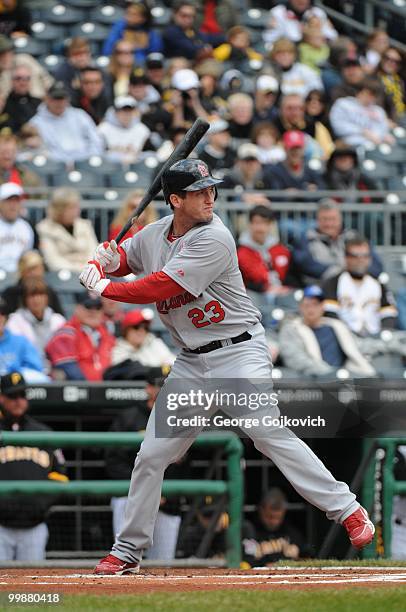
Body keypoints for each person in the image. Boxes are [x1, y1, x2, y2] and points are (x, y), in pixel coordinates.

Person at [79, 157, 375, 574]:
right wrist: (105, 260)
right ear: (175, 200)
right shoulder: (151, 235)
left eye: (211, 189)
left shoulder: (214, 237)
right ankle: (128, 550)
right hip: (190, 363)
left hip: (238, 351)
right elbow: (128, 258)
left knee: (264, 431)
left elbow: (160, 285)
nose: (210, 197)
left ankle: (346, 509)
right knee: (151, 455)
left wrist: (106, 284)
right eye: (199, 192)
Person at [105, 366, 185, 560]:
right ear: (148, 388)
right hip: (130, 497)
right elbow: (113, 462)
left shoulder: (184, 418)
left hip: (167, 501)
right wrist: (146, 491)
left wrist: (162, 493)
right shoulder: (129, 417)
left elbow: (185, 465)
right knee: (126, 558)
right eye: (161, 385)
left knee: (163, 563)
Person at [0, 371, 67, 561]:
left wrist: (40, 505)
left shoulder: (43, 433)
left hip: (34, 525)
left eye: (22, 395)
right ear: (1, 397)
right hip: (1, 526)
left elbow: (60, 475)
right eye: (12, 396)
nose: (18, 401)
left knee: (31, 582)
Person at [279, 285, 376, 378]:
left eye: (315, 304)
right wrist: (332, 375)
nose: (311, 309)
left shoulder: (337, 326)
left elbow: (360, 345)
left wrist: (388, 343)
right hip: (313, 382)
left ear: (322, 307)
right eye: (307, 305)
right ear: (301, 307)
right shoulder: (291, 329)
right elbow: (296, 360)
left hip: (344, 378)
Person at [291, 200, 383, 286]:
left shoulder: (353, 237)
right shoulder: (306, 239)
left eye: (333, 219)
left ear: (340, 219)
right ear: (317, 220)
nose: (329, 224)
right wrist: (340, 274)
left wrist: (356, 274)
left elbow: (376, 265)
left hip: (356, 287)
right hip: (319, 288)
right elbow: (306, 264)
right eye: (325, 219)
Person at [322, 235, 398, 336]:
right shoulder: (333, 282)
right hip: (345, 338)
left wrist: (384, 331)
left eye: (365, 256)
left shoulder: (378, 284)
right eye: (355, 256)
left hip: (375, 338)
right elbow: (330, 313)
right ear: (346, 258)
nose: (360, 260)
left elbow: (389, 312)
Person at [45, 293, 115, 381]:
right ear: (77, 308)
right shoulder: (66, 334)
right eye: (88, 306)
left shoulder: (106, 334)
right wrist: (94, 390)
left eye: (98, 307)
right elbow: (70, 370)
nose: (93, 311)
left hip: (108, 390)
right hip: (79, 390)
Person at [29, 81, 104, 163]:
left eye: (62, 98)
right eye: (55, 99)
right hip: (55, 164)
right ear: (46, 99)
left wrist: (89, 157)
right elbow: (40, 152)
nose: (59, 103)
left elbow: (96, 140)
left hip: (86, 161)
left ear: (68, 99)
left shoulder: (79, 115)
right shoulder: (35, 123)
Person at [6, 277, 65, 369]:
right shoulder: (15, 321)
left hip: (56, 368)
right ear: (24, 299)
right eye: (32, 296)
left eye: (40, 294)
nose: (36, 299)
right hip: (27, 369)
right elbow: (17, 352)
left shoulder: (58, 320)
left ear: (47, 298)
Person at [36, 187, 98, 273]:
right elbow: (53, 261)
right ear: (59, 210)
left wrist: (89, 268)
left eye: (77, 207)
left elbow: (94, 252)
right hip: (63, 276)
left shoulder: (85, 225)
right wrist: (80, 270)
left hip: (90, 273)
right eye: (71, 208)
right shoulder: (45, 228)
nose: (77, 211)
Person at [242, 488, 308, 566]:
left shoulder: (293, 534)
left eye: (278, 518)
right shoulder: (249, 531)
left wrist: (297, 556)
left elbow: (309, 558)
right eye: (269, 516)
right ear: (261, 510)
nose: (273, 522)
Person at [237, 205, 291, 294]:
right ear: (250, 224)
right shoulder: (240, 251)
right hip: (252, 295)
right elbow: (243, 281)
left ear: (270, 225)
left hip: (280, 293)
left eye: (264, 223)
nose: (260, 228)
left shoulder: (281, 249)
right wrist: (265, 288)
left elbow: (289, 276)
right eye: (257, 222)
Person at [329, 78, 394, 149]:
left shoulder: (378, 111)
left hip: (376, 146)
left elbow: (383, 130)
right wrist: (363, 132)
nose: (370, 97)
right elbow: (338, 127)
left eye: (374, 95)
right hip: (351, 144)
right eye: (368, 93)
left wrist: (384, 136)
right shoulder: (343, 104)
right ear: (358, 92)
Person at [2, 250, 64, 316]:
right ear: (22, 271)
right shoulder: (11, 293)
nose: (36, 274)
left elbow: (59, 317)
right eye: (31, 270)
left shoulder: (49, 291)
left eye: (39, 269)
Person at [0, 296, 47, 382]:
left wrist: (13, 377)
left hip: (14, 391)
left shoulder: (20, 342)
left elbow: (37, 372)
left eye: (2, 313)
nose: (0, 317)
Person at [111, 308, 175, 369]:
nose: (141, 331)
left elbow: (173, 363)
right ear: (126, 330)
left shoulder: (154, 343)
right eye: (136, 327)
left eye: (145, 328)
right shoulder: (117, 349)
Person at [97, 96, 151, 164]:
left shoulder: (142, 130)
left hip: (136, 167)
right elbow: (98, 153)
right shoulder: (103, 129)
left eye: (129, 111)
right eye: (123, 111)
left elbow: (149, 153)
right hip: (109, 167)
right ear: (115, 112)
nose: (126, 114)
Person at [263, 0, 337, 46]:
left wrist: (315, 35)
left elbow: (332, 36)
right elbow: (269, 39)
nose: (302, 1)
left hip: (317, 51)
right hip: (290, 53)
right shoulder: (277, 12)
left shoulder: (317, 12)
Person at [0, 182, 36, 274]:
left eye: (16, 201)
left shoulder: (27, 227)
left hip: (21, 275)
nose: (13, 205)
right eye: (8, 201)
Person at [3, 64, 41, 134]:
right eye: (18, 78)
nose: (23, 82)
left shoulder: (39, 103)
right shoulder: (4, 104)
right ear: (12, 81)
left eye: (27, 78)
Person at [375, 47, 406, 121]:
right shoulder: (373, 77)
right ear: (382, 58)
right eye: (387, 58)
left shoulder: (400, 82)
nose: (391, 63)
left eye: (396, 61)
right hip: (383, 120)